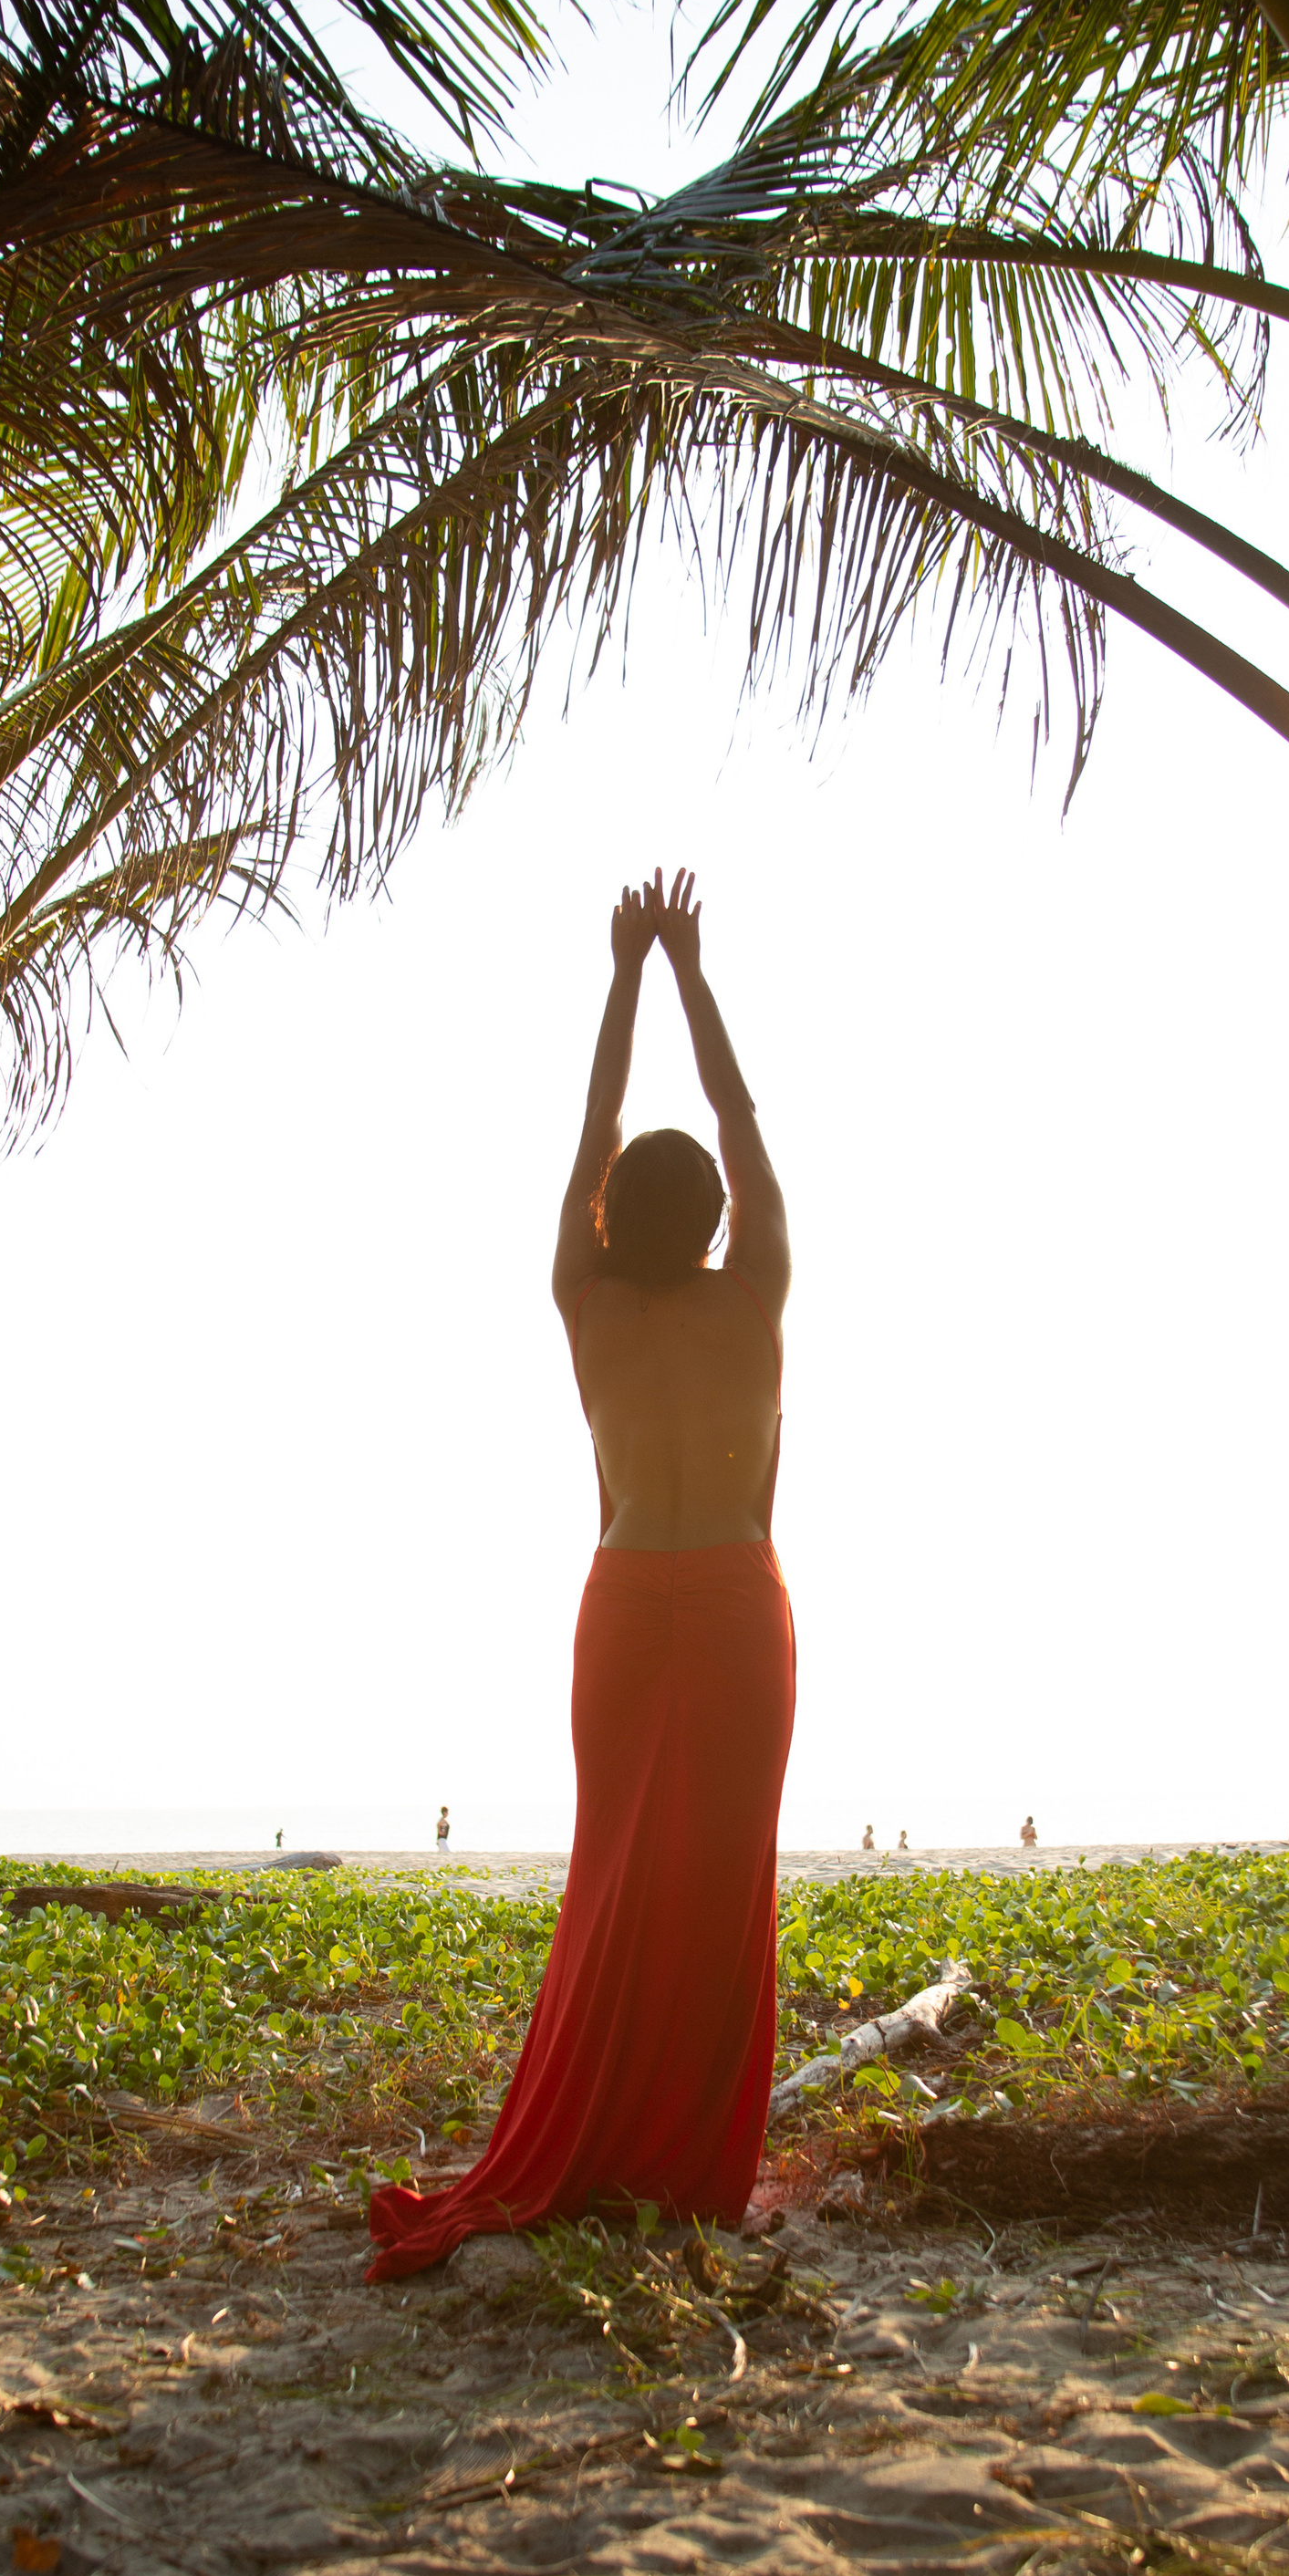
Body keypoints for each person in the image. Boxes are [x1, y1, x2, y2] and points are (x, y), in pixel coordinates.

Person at [366, 868, 794, 2281]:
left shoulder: (586, 1302)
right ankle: (690, 2165)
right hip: (736, 1606)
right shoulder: (759, 1296)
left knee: (616, 1877)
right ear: (722, 1213)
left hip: (626, 1605)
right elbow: (732, 1117)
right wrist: (691, 971)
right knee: (723, 1883)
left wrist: (623, 974)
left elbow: (597, 1124)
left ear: (613, 1215)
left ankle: (601, 2140)